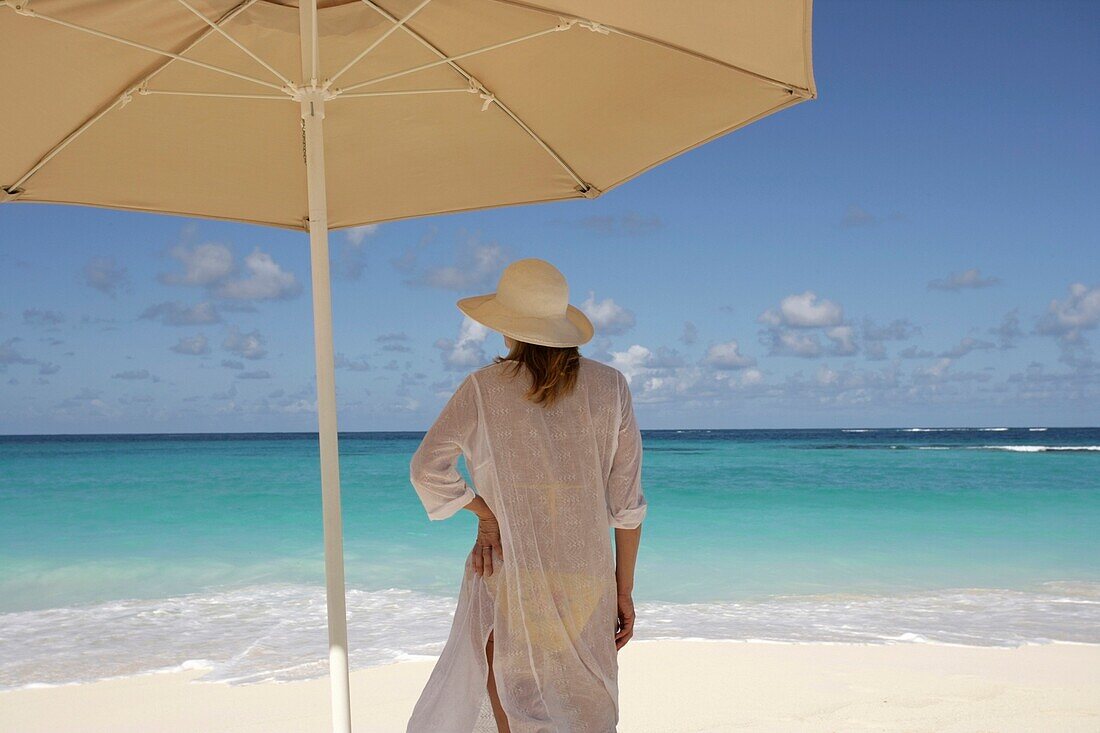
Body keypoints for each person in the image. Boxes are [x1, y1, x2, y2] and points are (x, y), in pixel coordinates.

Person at [406, 258, 647, 733]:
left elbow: (426, 469)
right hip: (586, 575)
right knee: (585, 707)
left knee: (517, 703)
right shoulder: (611, 386)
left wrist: (485, 515)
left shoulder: (483, 389)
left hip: (510, 571)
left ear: (506, 326)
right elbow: (627, 507)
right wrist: (623, 590)